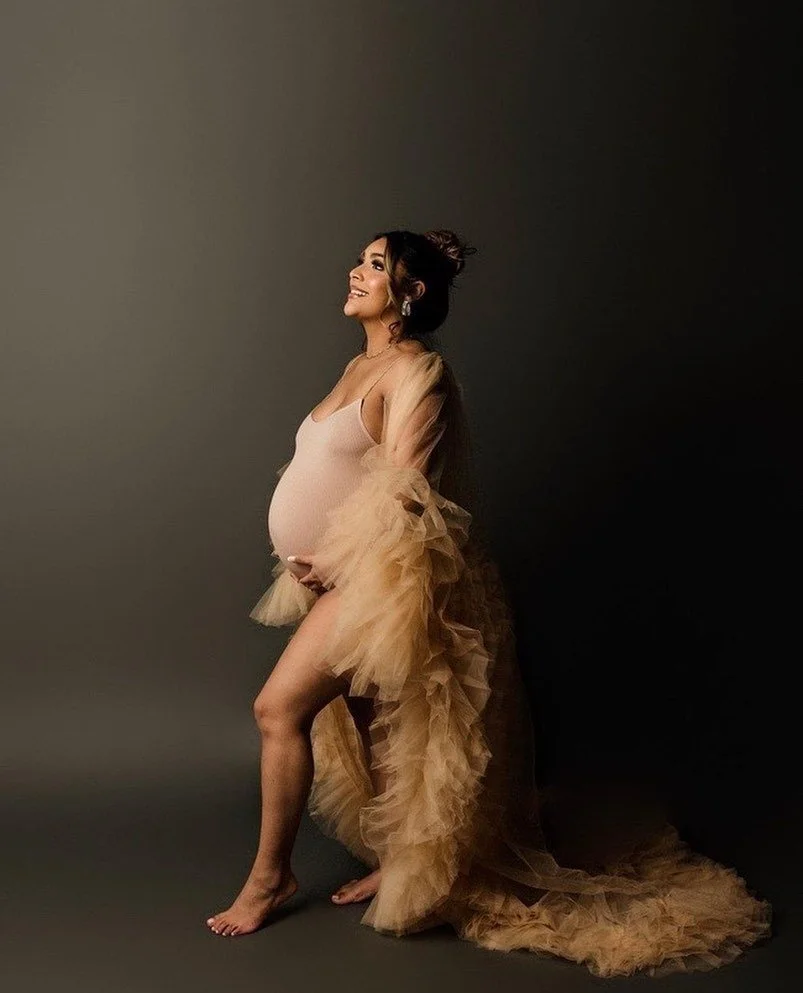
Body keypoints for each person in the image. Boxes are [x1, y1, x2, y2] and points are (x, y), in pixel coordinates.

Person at [205, 229, 771, 977]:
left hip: (371, 576)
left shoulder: (419, 370)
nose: (356, 271)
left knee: (277, 710)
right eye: (361, 260)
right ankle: (398, 863)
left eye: (375, 264)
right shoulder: (357, 365)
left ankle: (269, 878)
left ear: (409, 292)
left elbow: (406, 488)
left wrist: (336, 558)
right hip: (335, 578)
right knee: (372, 721)